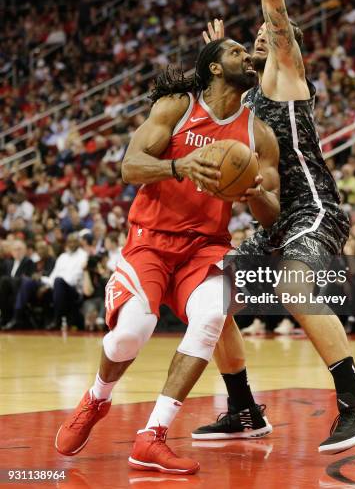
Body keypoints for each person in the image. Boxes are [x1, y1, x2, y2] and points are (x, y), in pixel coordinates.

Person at [192, 0, 355, 454]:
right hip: (275, 217)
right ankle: (244, 407)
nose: (259, 40)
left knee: (294, 282)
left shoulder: (285, 77)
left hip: (314, 210)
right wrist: (214, 65)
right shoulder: (247, 102)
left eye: (266, 36)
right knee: (208, 291)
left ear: (285, 47)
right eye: (252, 42)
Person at [54, 39, 280, 475]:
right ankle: (97, 398)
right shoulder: (177, 106)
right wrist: (181, 165)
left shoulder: (259, 133)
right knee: (130, 335)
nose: (247, 58)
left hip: (206, 246)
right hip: (151, 239)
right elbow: (130, 165)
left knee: (213, 315)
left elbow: (271, 211)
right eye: (236, 52)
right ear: (214, 68)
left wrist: (254, 193)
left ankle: (151, 437)